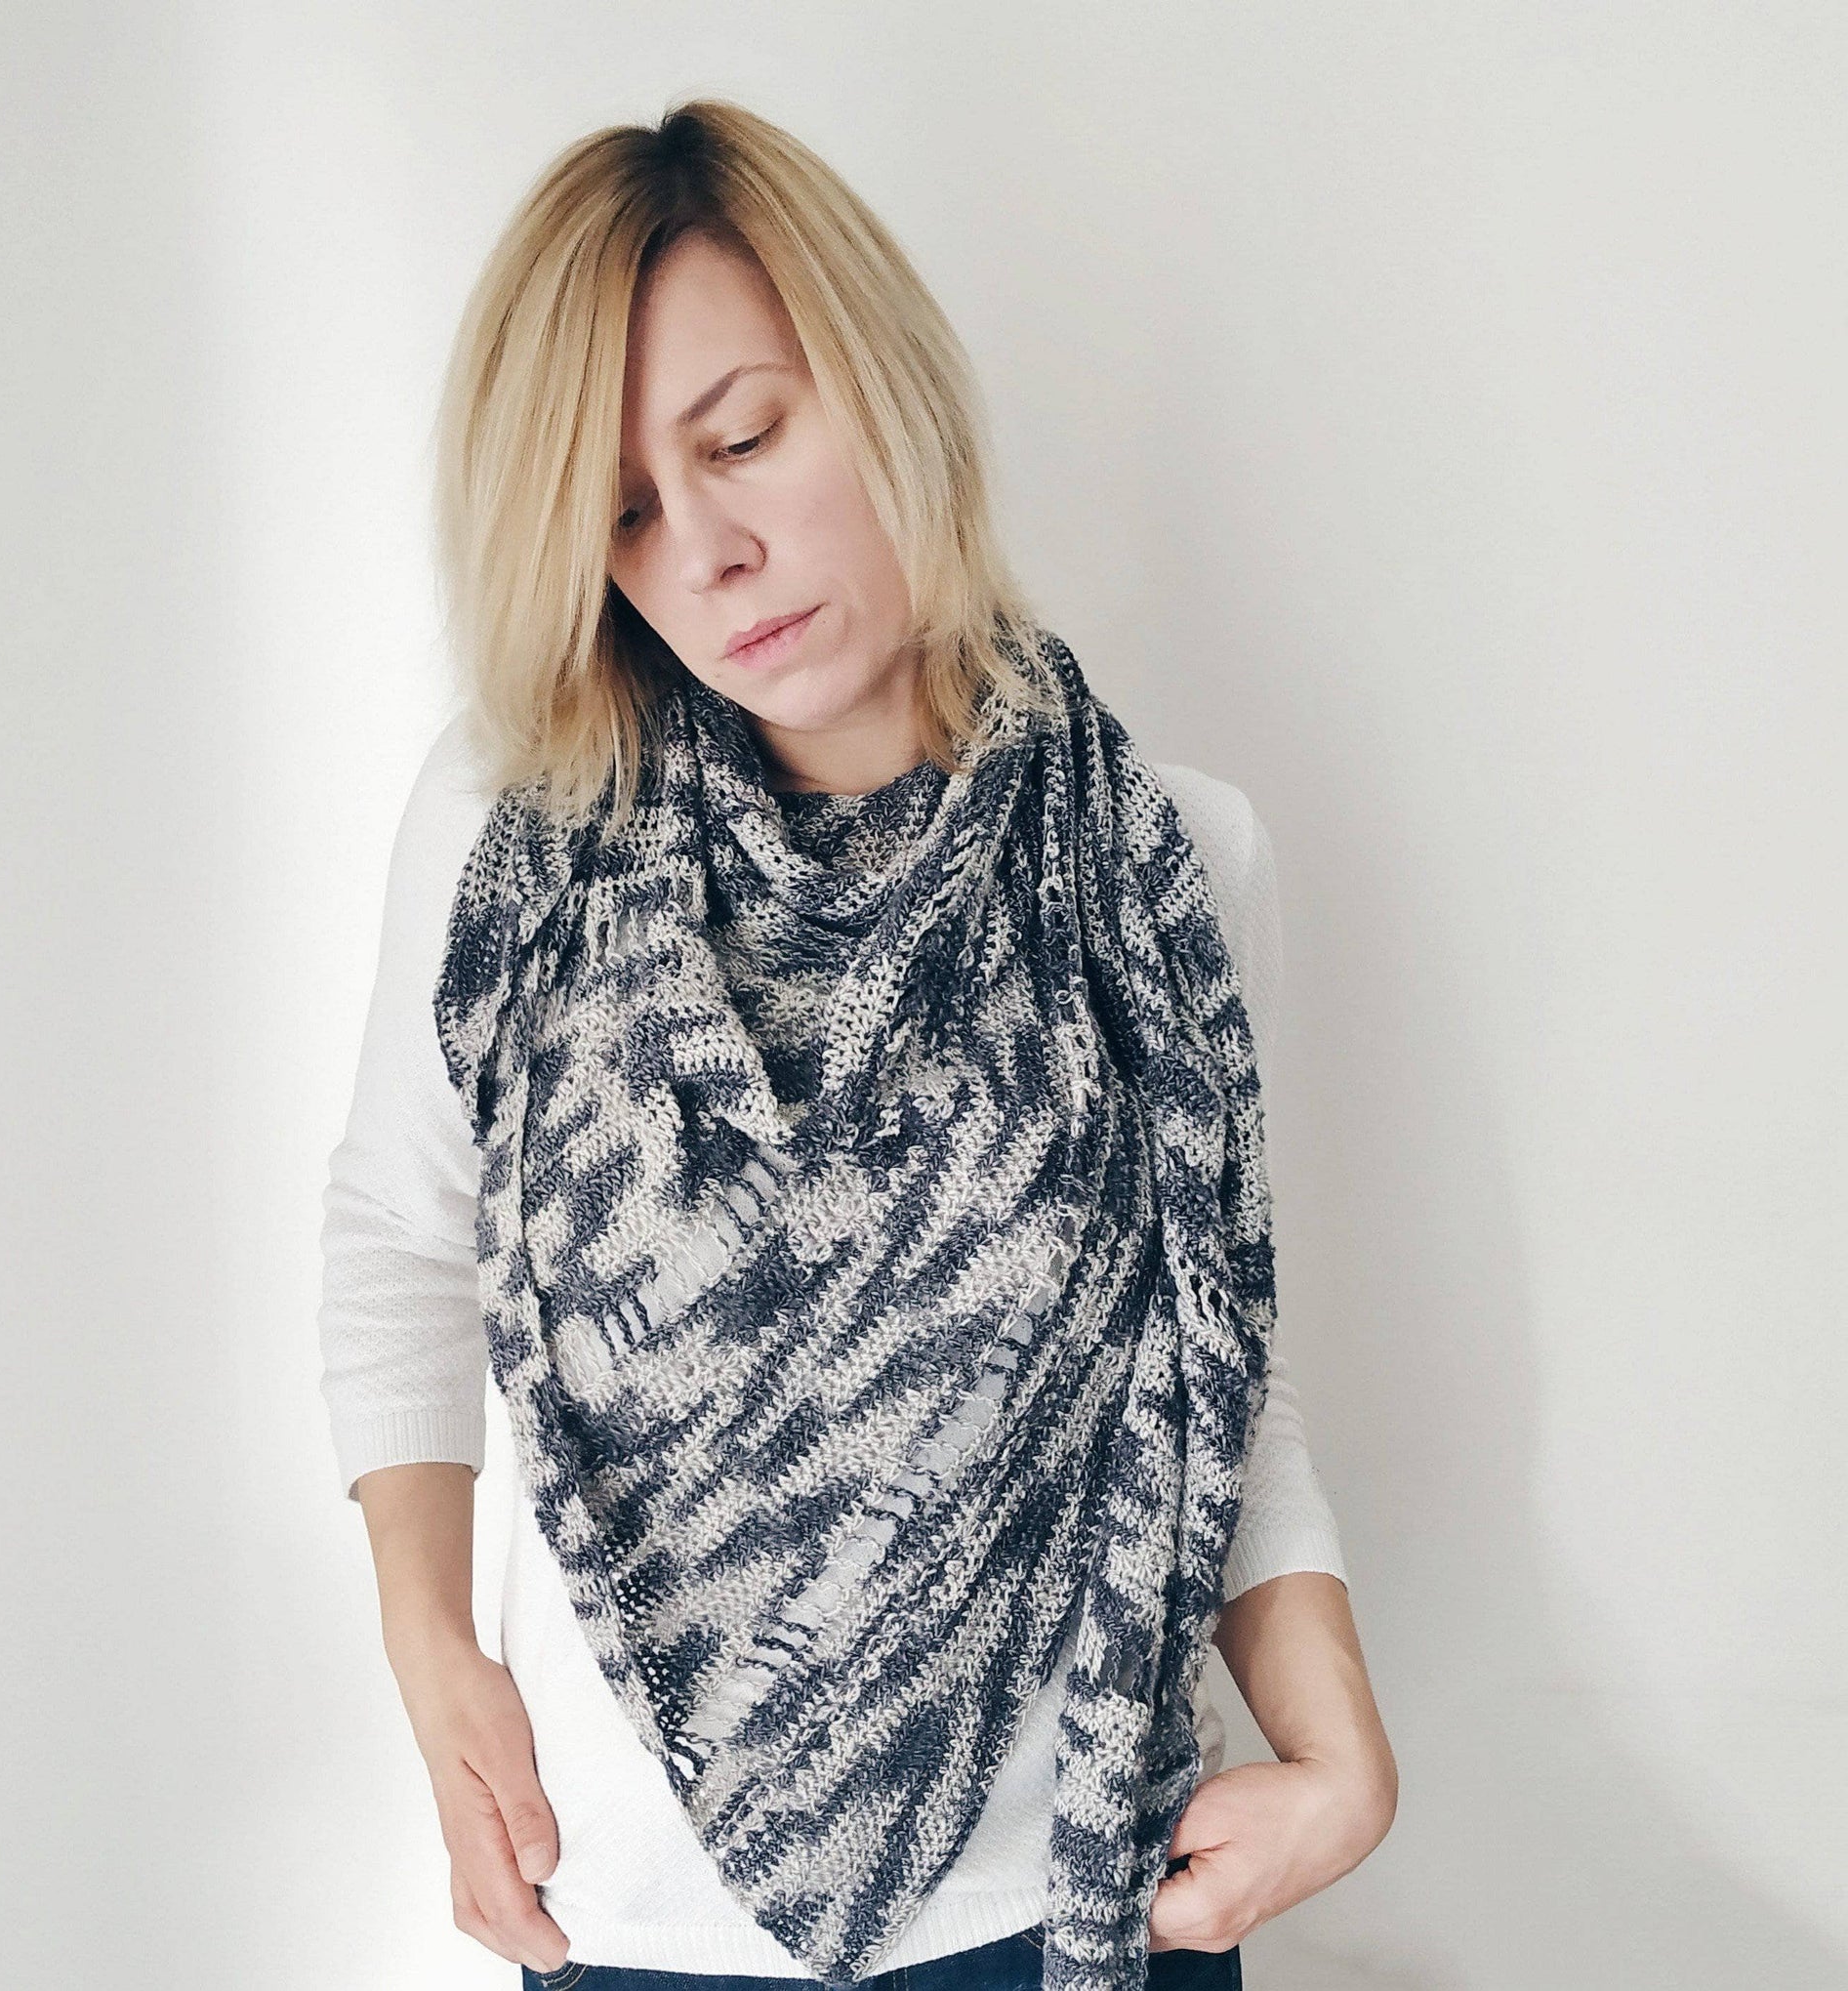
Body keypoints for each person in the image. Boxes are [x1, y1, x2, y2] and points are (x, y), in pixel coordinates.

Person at [317, 98, 1396, 1991]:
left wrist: (1341, 1755)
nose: (710, 550)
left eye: (742, 438)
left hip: (1073, 1905)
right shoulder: (518, 832)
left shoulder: (1168, 867)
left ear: (881, 384)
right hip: (630, 1919)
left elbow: (1218, 1360)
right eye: (625, 512)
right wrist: (431, 1657)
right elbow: (402, 1239)